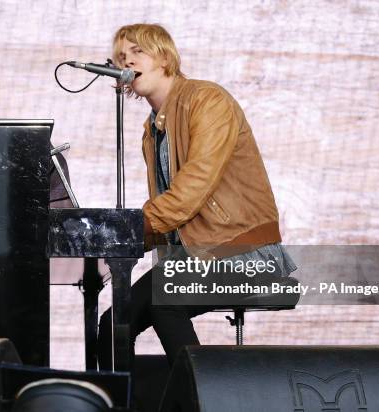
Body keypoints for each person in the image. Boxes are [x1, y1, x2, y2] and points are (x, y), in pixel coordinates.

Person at [97, 23, 297, 370]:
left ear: (164, 57)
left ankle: (200, 398)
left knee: (164, 302)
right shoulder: (153, 128)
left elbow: (190, 192)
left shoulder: (207, 100)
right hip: (194, 260)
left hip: (244, 255)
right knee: (112, 325)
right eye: (120, 56)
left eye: (137, 51)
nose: (126, 61)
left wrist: (126, 230)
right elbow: (171, 219)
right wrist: (109, 241)